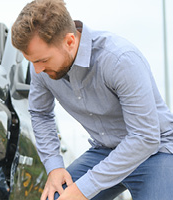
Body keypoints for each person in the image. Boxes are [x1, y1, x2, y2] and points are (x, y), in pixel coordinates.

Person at [11, 0, 173, 199]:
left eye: (43, 60)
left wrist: (83, 188)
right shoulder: (40, 67)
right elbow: (40, 113)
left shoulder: (120, 59)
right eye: (33, 62)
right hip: (104, 151)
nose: (38, 70)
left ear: (70, 41)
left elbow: (145, 137)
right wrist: (54, 167)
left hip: (155, 151)